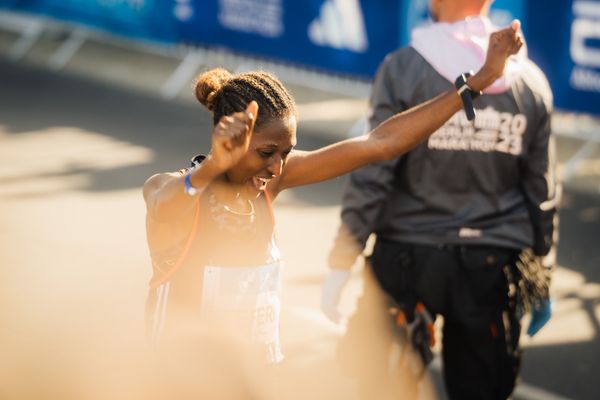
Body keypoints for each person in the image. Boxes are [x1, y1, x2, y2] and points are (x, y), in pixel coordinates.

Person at [143, 21, 522, 365]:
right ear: (227, 138)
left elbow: (380, 143)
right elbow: (162, 200)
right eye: (265, 152)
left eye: (286, 153)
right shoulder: (176, 192)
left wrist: (478, 81)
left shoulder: (268, 187)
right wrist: (213, 166)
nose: (277, 167)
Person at [321, 1, 559, 399]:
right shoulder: (530, 81)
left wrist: (342, 258)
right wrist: (543, 270)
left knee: (384, 389)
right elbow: (542, 190)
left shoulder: (402, 68)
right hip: (491, 263)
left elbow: (373, 171)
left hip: (407, 260)